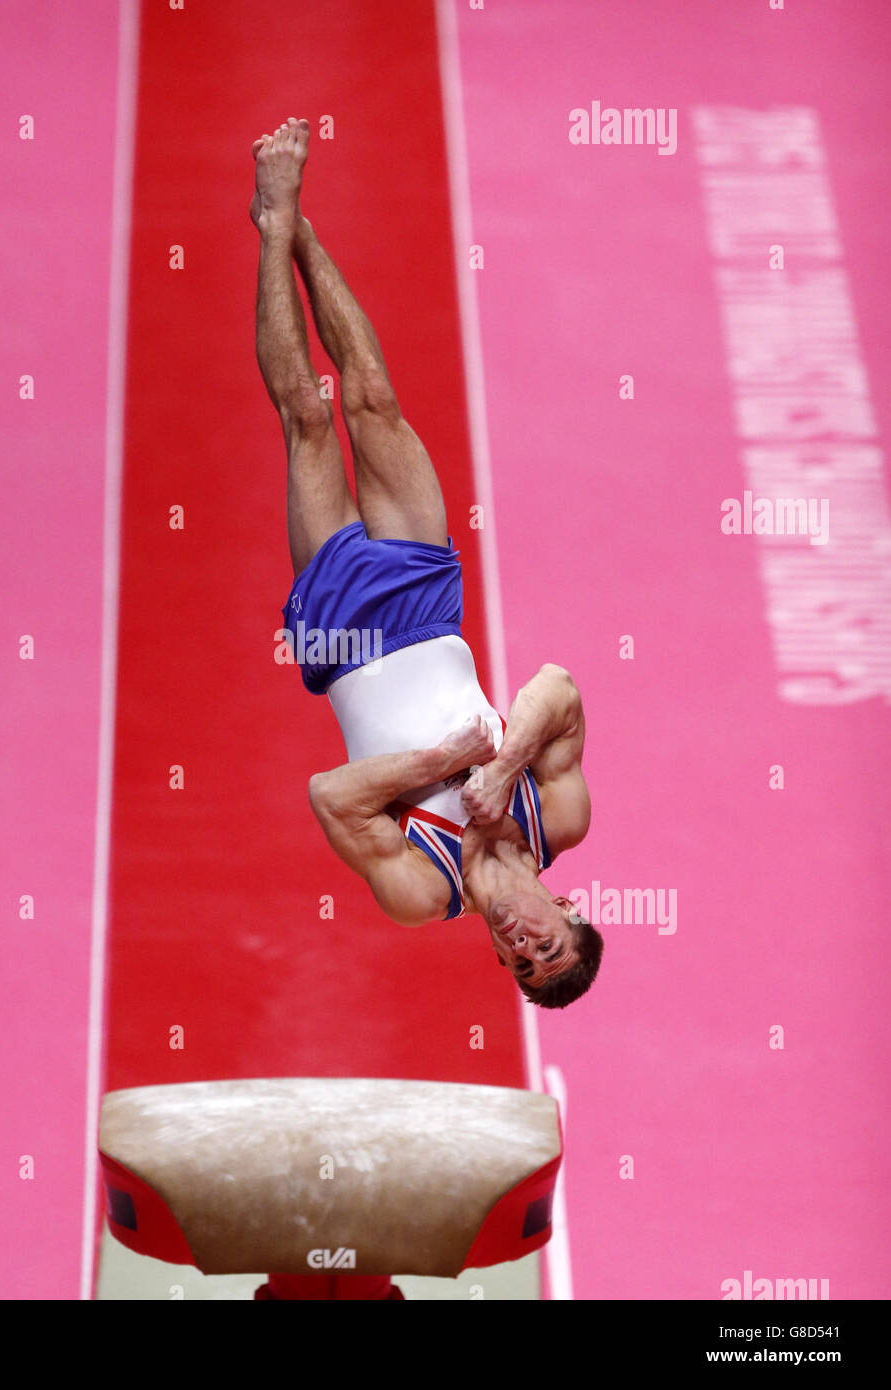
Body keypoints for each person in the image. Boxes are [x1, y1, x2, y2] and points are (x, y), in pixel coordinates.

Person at [253, 118, 601, 1008]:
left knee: (305, 416)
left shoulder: (422, 893)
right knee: (371, 398)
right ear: (565, 907)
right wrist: (501, 766)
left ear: (501, 962)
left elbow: (330, 794)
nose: (527, 948)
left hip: (343, 639)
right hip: (425, 606)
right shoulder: (556, 816)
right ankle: (306, 230)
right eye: (550, 947)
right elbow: (558, 687)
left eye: (523, 965)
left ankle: (274, 224)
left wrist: (442, 760)